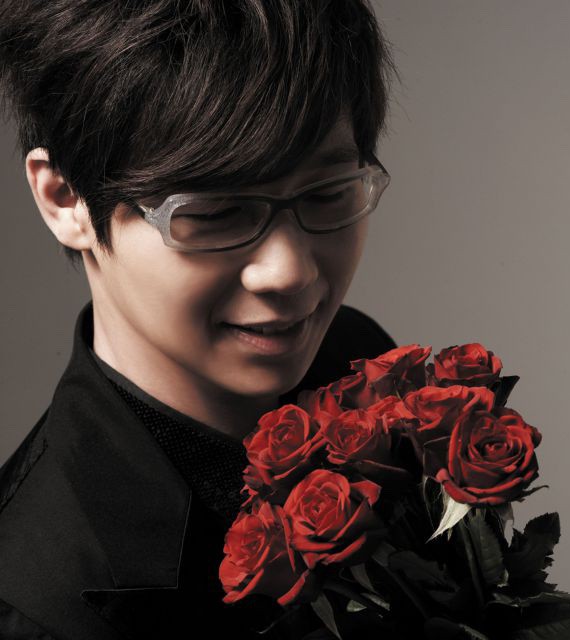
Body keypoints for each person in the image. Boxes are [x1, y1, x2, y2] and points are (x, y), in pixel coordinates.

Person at [0, 1, 398, 638]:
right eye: (214, 213)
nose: (289, 272)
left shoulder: (359, 361)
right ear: (65, 199)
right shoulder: (36, 600)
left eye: (328, 194)